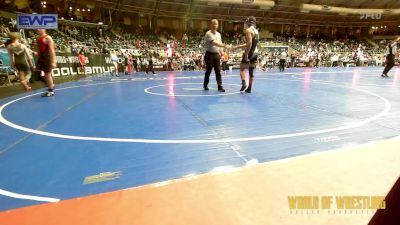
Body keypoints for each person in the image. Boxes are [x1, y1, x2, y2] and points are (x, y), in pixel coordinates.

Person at [233, 16, 259, 93]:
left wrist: (246, 54)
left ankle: (244, 83)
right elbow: (249, 43)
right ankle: (249, 88)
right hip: (255, 52)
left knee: (241, 69)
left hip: (250, 52)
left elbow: (249, 43)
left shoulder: (248, 30)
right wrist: (238, 46)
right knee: (251, 71)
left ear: (248, 22)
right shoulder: (256, 31)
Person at [203, 19, 230, 92]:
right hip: (209, 54)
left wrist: (222, 53)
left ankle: (220, 86)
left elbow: (219, 44)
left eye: (216, 24)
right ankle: (205, 85)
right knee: (208, 71)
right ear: (210, 25)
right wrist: (225, 45)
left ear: (218, 25)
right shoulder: (208, 34)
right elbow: (214, 43)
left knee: (218, 71)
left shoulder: (218, 34)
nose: (215, 25)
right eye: (213, 24)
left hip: (216, 55)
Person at [35, 29, 57, 97]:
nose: (37, 30)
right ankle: (51, 85)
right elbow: (38, 50)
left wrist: (54, 61)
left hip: (47, 57)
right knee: (37, 75)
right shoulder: (38, 38)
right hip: (41, 58)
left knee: (47, 74)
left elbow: (52, 50)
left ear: (43, 29)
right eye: (36, 29)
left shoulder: (48, 37)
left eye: (39, 28)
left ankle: (51, 91)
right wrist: (38, 58)